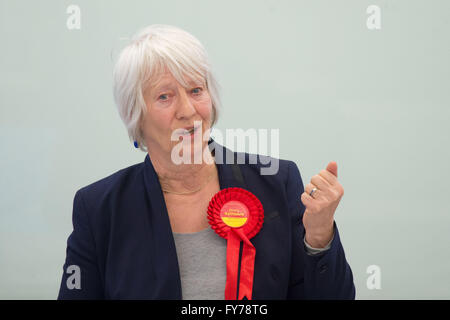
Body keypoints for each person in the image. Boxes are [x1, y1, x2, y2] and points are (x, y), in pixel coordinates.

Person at [57, 24, 355, 299]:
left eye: (196, 90)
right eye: (165, 96)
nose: (188, 110)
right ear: (135, 115)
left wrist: (319, 236)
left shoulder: (278, 180)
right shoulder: (99, 209)